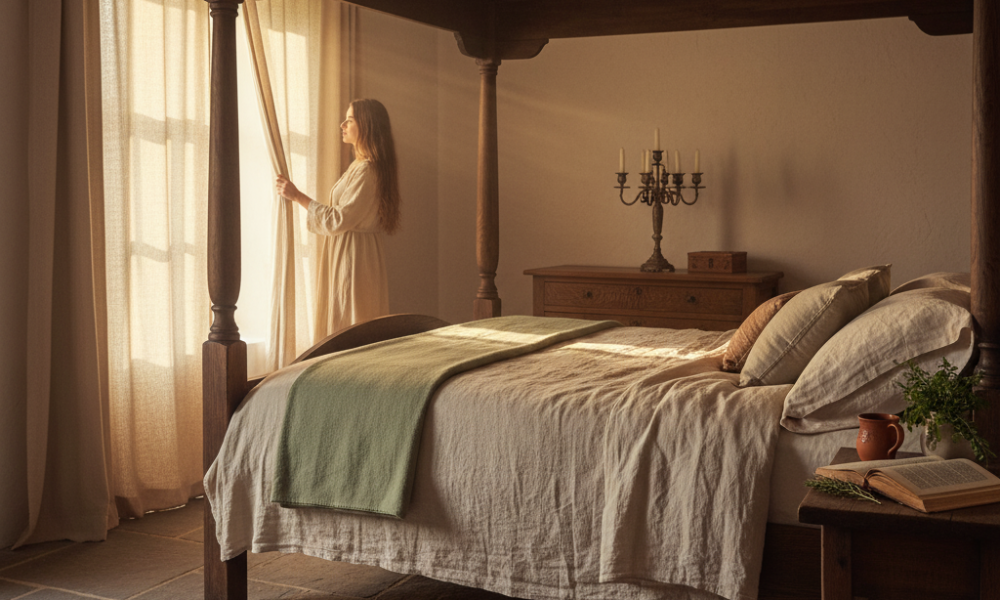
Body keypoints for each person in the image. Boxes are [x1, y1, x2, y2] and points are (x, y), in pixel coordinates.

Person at [275, 98, 400, 338]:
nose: (342, 124)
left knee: (352, 322)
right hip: (352, 251)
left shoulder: (367, 170)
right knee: (347, 321)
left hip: (355, 256)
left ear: (366, 126)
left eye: (350, 120)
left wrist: (297, 196)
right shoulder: (359, 166)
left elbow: (339, 219)